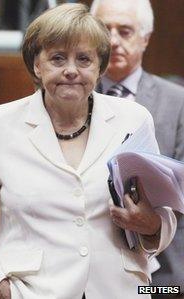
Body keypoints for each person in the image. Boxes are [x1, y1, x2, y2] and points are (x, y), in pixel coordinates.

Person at [0, 3, 176, 299]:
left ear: (100, 67)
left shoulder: (134, 120)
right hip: (33, 292)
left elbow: (163, 214)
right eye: (58, 58)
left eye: (84, 59)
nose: (71, 70)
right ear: (37, 64)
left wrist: (151, 226)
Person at [91, 0, 184, 297]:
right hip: (87, 272)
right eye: (104, 30)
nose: (113, 40)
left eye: (125, 31)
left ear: (145, 38)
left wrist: (153, 222)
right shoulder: (71, 98)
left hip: (163, 274)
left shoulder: (177, 102)